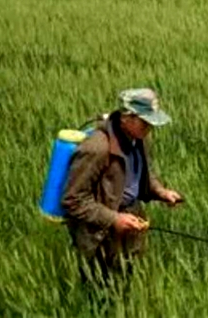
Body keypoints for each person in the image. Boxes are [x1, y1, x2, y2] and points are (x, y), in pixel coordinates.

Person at [62, 88, 183, 294]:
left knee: (127, 286)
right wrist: (113, 219)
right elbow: (73, 200)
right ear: (127, 117)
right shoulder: (97, 148)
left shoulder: (140, 138)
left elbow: (140, 174)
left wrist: (160, 192)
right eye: (146, 122)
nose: (150, 127)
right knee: (101, 293)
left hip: (131, 223)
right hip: (100, 235)